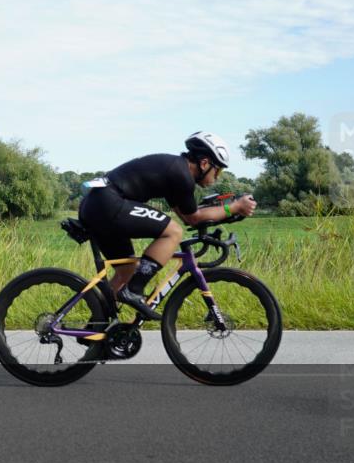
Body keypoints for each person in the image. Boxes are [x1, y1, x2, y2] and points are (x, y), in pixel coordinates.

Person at [78, 131, 257, 321]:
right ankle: (134, 291)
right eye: (218, 171)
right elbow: (194, 218)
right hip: (108, 203)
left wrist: (227, 212)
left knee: (126, 271)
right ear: (204, 163)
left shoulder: (175, 172)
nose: (217, 177)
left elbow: (189, 218)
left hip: (98, 204)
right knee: (173, 232)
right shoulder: (181, 175)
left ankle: (98, 326)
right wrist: (235, 206)